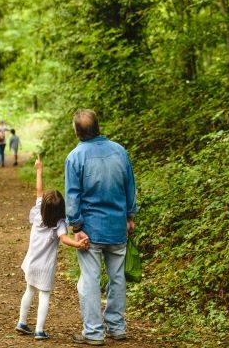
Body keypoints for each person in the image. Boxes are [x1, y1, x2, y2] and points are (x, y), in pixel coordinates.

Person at [65, 109, 137, 345]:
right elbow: (129, 186)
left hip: (90, 232)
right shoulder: (119, 151)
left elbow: (73, 196)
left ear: (77, 132)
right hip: (117, 227)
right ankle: (117, 328)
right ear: (98, 126)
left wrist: (76, 227)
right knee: (117, 278)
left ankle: (94, 332)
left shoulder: (75, 157)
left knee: (90, 281)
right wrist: (130, 215)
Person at [16, 156, 89, 340]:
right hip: (45, 266)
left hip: (31, 262)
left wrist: (39, 169)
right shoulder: (60, 224)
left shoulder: (39, 211)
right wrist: (78, 243)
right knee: (44, 295)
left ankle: (21, 322)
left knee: (29, 291)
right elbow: (65, 239)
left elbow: (39, 190)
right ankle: (39, 330)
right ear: (61, 209)